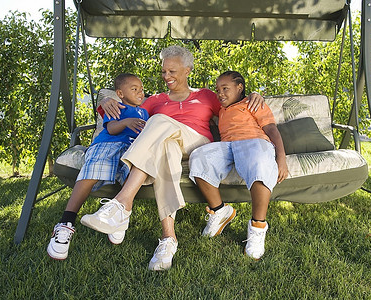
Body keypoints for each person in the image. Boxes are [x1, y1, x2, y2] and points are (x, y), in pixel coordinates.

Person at [80, 45, 265, 271]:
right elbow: (127, 108)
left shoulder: (206, 95)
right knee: (166, 148)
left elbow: (235, 103)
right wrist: (106, 102)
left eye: (172, 72)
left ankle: (121, 204)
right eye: (164, 72)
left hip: (197, 144)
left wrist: (254, 94)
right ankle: (168, 239)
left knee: (158, 122)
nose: (166, 77)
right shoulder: (155, 100)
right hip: (172, 146)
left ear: (187, 70)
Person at [47, 73, 149, 260]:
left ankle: (120, 218)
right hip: (108, 144)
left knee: (131, 174)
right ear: (120, 93)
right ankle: (66, 222)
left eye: (141, 89)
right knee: (95, 166)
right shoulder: (118, 106)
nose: (140, 92)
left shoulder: (145, 112)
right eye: (134, 89)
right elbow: (110, 129)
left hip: (131, 148)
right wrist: (125, 122)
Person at [189, 71, 288, 260]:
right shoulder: (220, 107)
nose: (220, 93)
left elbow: (271, 129)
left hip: (253, 141)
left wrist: (281, 157)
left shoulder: (253, 103)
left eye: (225, 88)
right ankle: (219, 211)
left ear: (239, 87)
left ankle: (257, 228)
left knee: (259, 163)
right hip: (227, 146)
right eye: (217, 90)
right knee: (199, 157)